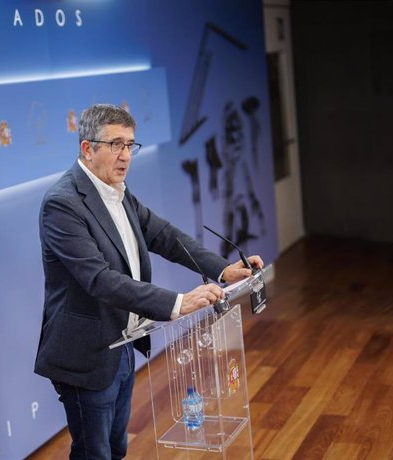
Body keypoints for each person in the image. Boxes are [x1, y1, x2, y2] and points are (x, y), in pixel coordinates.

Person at [34, 104, 263, 459]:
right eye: (115, 145)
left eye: (129, 145)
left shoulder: (117, 190)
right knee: (94, 453)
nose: (125, 156)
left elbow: (165, 237)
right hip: (85, 355)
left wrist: (222, 270)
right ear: (87, 149)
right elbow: (100, 280)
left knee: (116, 447)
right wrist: (176, 303)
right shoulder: (62, 205)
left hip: (122, 344)